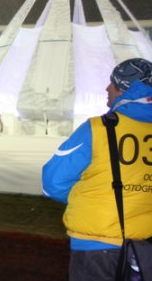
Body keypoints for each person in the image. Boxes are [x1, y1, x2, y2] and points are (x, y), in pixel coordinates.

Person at [42, 58, 152, 281]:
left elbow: (52, 183)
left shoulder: (98, 128)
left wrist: (92, 198)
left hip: (96, 244)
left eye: (112, 82)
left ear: (125, 89)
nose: (107, 88)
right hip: (144, 245)